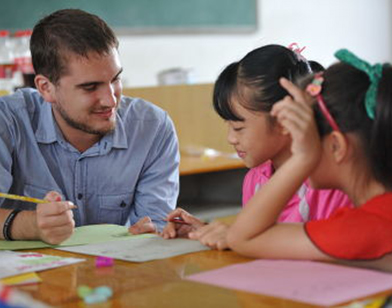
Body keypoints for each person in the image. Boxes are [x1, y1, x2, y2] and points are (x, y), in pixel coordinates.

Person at [0, 9, 179, 244]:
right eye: (90, 87)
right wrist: (29, 225)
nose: (111, 100)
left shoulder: (153, 128)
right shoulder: (7, 120)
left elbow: (156, 225)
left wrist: (153, 231)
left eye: (115, 79)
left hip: (112, 273)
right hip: (28, 275)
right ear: (45, 88)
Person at [162, 45, 352, 249]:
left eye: (238, 127)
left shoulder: (329, 184)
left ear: (283, 119)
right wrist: (206, 232)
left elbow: (329, 251)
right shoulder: (256, 177)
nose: (231, 139)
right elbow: (257, 240)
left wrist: (236, 237)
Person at [226, 49, 392, 271]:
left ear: (336, 146)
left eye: (304, 136)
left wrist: (304, 157)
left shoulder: (367, 227)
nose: (294, 144)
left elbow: (243, 238)